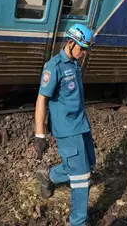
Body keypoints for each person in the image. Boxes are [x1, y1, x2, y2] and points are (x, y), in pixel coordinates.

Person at [34, 24, 96, 226]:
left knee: (88, 164)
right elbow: (41, 100)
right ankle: (78, 222)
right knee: (81, 177)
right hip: (67, 129)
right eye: (82, 48)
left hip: (81, 125)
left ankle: (49, 175)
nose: (84, 53)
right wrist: (40, 135)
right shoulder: (54, 67)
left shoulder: (74, 63)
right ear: (70, 43)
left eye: (86, 49)